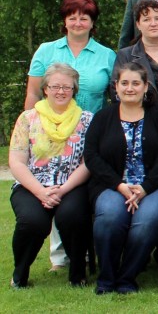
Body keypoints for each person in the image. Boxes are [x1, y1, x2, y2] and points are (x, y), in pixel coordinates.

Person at [84, 62, 158, 294]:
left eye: (136, 83)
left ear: (146, 86)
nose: (130, 88)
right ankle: (107, 278)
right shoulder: (103, 117)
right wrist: (120, 186)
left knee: (146, 222)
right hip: (112, 185)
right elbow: (91, 155)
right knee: (109, 217)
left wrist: (146, 187)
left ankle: (127, 278)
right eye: (124, 83)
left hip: (157, 185)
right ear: (116, 87)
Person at [9, 63, 92, 288]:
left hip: (72, 185)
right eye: (55, 86)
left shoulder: (86, 120)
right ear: (45, 89)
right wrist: (42, 192)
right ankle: (19, 274)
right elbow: (16, 162)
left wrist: (62, 190)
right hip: (32, 186)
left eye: (67, 86)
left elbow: (88, 163)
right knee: (32, 222)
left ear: (74, 89)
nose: (61, 91)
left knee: (72, 217)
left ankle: (77, 275)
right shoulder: (27, 119)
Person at [26, 0, 116, 115]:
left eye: (83, 19)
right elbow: (33, 93)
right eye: (72, 18)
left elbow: (118, 97)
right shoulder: (45, 51)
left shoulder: (108, 56)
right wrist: (29, 126)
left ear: (92, 22)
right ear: (65, 21)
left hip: (93, 129)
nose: (77, 24)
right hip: (49, 129)